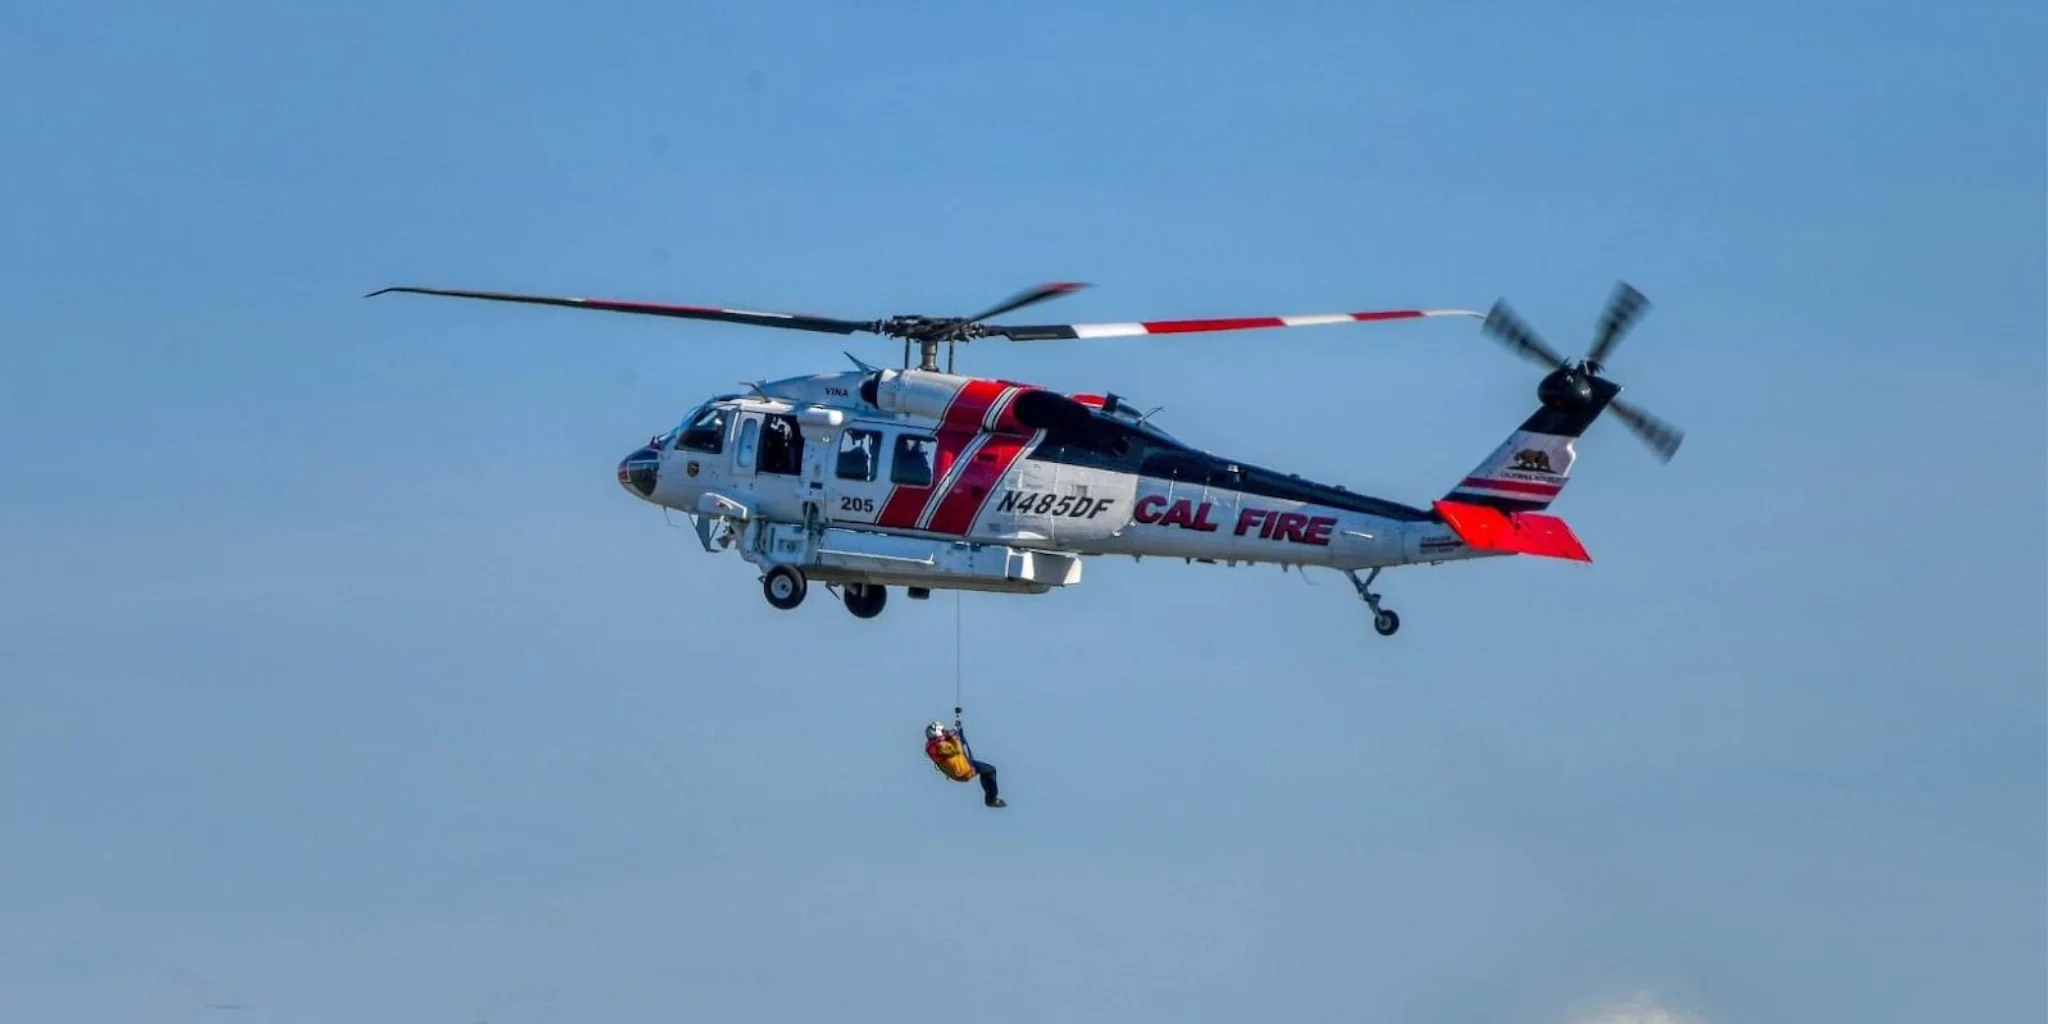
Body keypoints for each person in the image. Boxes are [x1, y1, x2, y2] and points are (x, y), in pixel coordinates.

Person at [925, 719, 1005, 808]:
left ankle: (990, 798)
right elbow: (957, 750)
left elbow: (957, 743)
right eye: (943, 731)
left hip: (961, 768)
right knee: (991, 770)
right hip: (964, 769)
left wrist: (957, 732)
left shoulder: (935, 745)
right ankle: (991, 799)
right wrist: (953, 737)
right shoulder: (940, 746)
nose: (945, 732)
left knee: (986, 771)